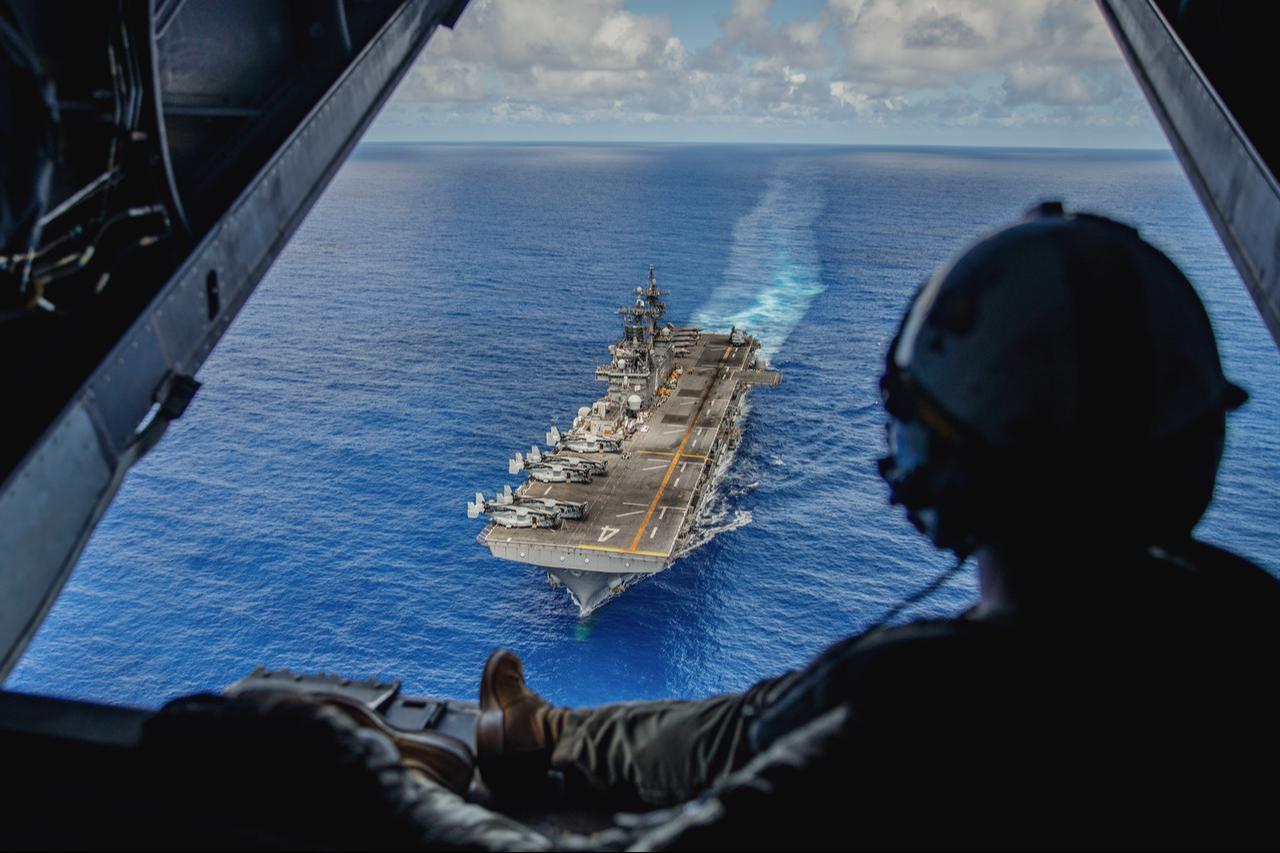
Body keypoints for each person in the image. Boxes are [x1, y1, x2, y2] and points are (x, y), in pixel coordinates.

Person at [463, 203, 1280, 850]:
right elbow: (751, 730)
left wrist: (367, 780)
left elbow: (756, 737)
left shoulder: (911, 715)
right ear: (1195, 451)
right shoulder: (1250, 624)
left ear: (935, 461)